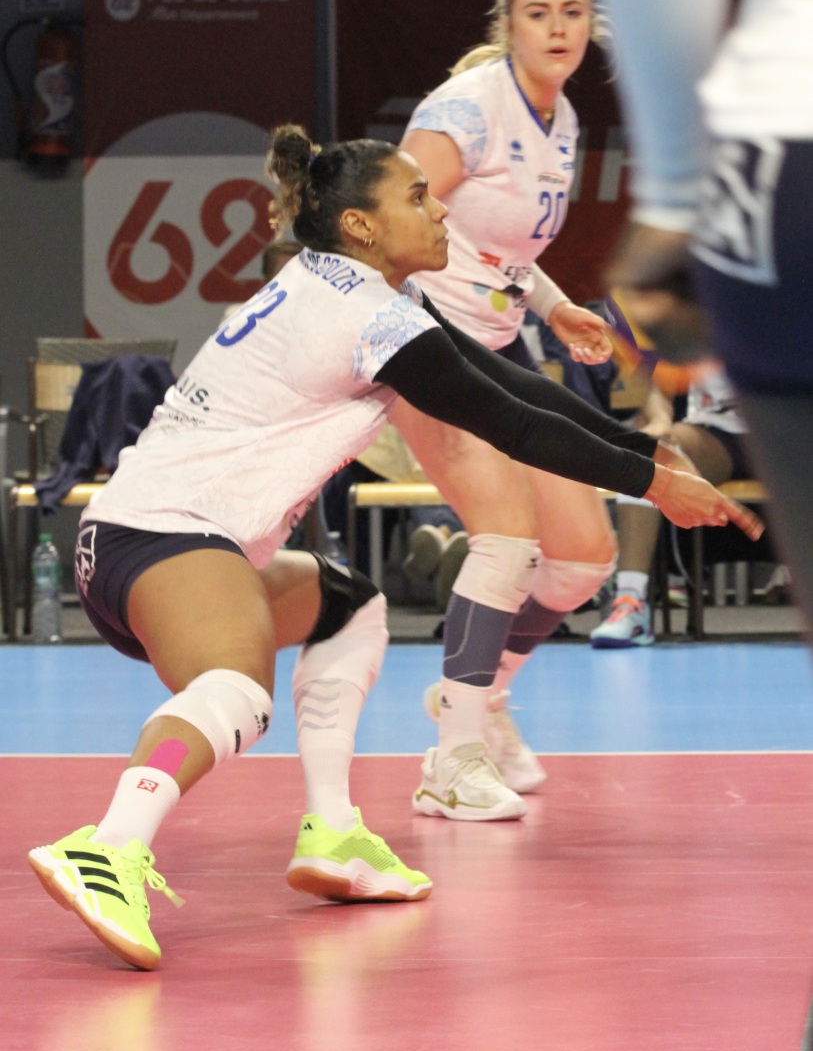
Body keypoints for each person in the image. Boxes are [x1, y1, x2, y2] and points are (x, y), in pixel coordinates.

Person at [28, 123, 760, 971]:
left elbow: (517, 385)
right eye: (415, 196)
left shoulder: (369, 294)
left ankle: (333, 831)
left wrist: (650, 452)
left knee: (348, 608)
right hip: (160, 535)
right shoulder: (363, 315)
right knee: (235, 689)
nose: (439, 209)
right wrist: (653, 483)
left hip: (161, 538)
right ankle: (109, 846)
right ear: (360, 226)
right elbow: (512, 424)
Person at [394, 0, 625, 817]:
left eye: (572, 11)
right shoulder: (466, 108)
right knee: (507, 540)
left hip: (500, 343)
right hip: (427, 341)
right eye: (537, 12)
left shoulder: (560, 116)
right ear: (507, 23)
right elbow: (383, 217)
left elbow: (503, 249)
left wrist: (555, 307)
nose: (557, 27)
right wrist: (398, 342)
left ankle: (478, 697)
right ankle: (449, 765)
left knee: (581, 559)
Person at [578, 0, 813, 642]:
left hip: (775, 153)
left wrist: (677, 191)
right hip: (720, 414)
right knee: (661, 448)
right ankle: (629, 599)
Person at [590, 365, 755, 647]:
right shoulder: (695, 333)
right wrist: (660, 419)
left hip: (793, 432)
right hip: (717, 434)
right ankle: (631, 603)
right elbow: (661, 382)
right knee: (648, 453)